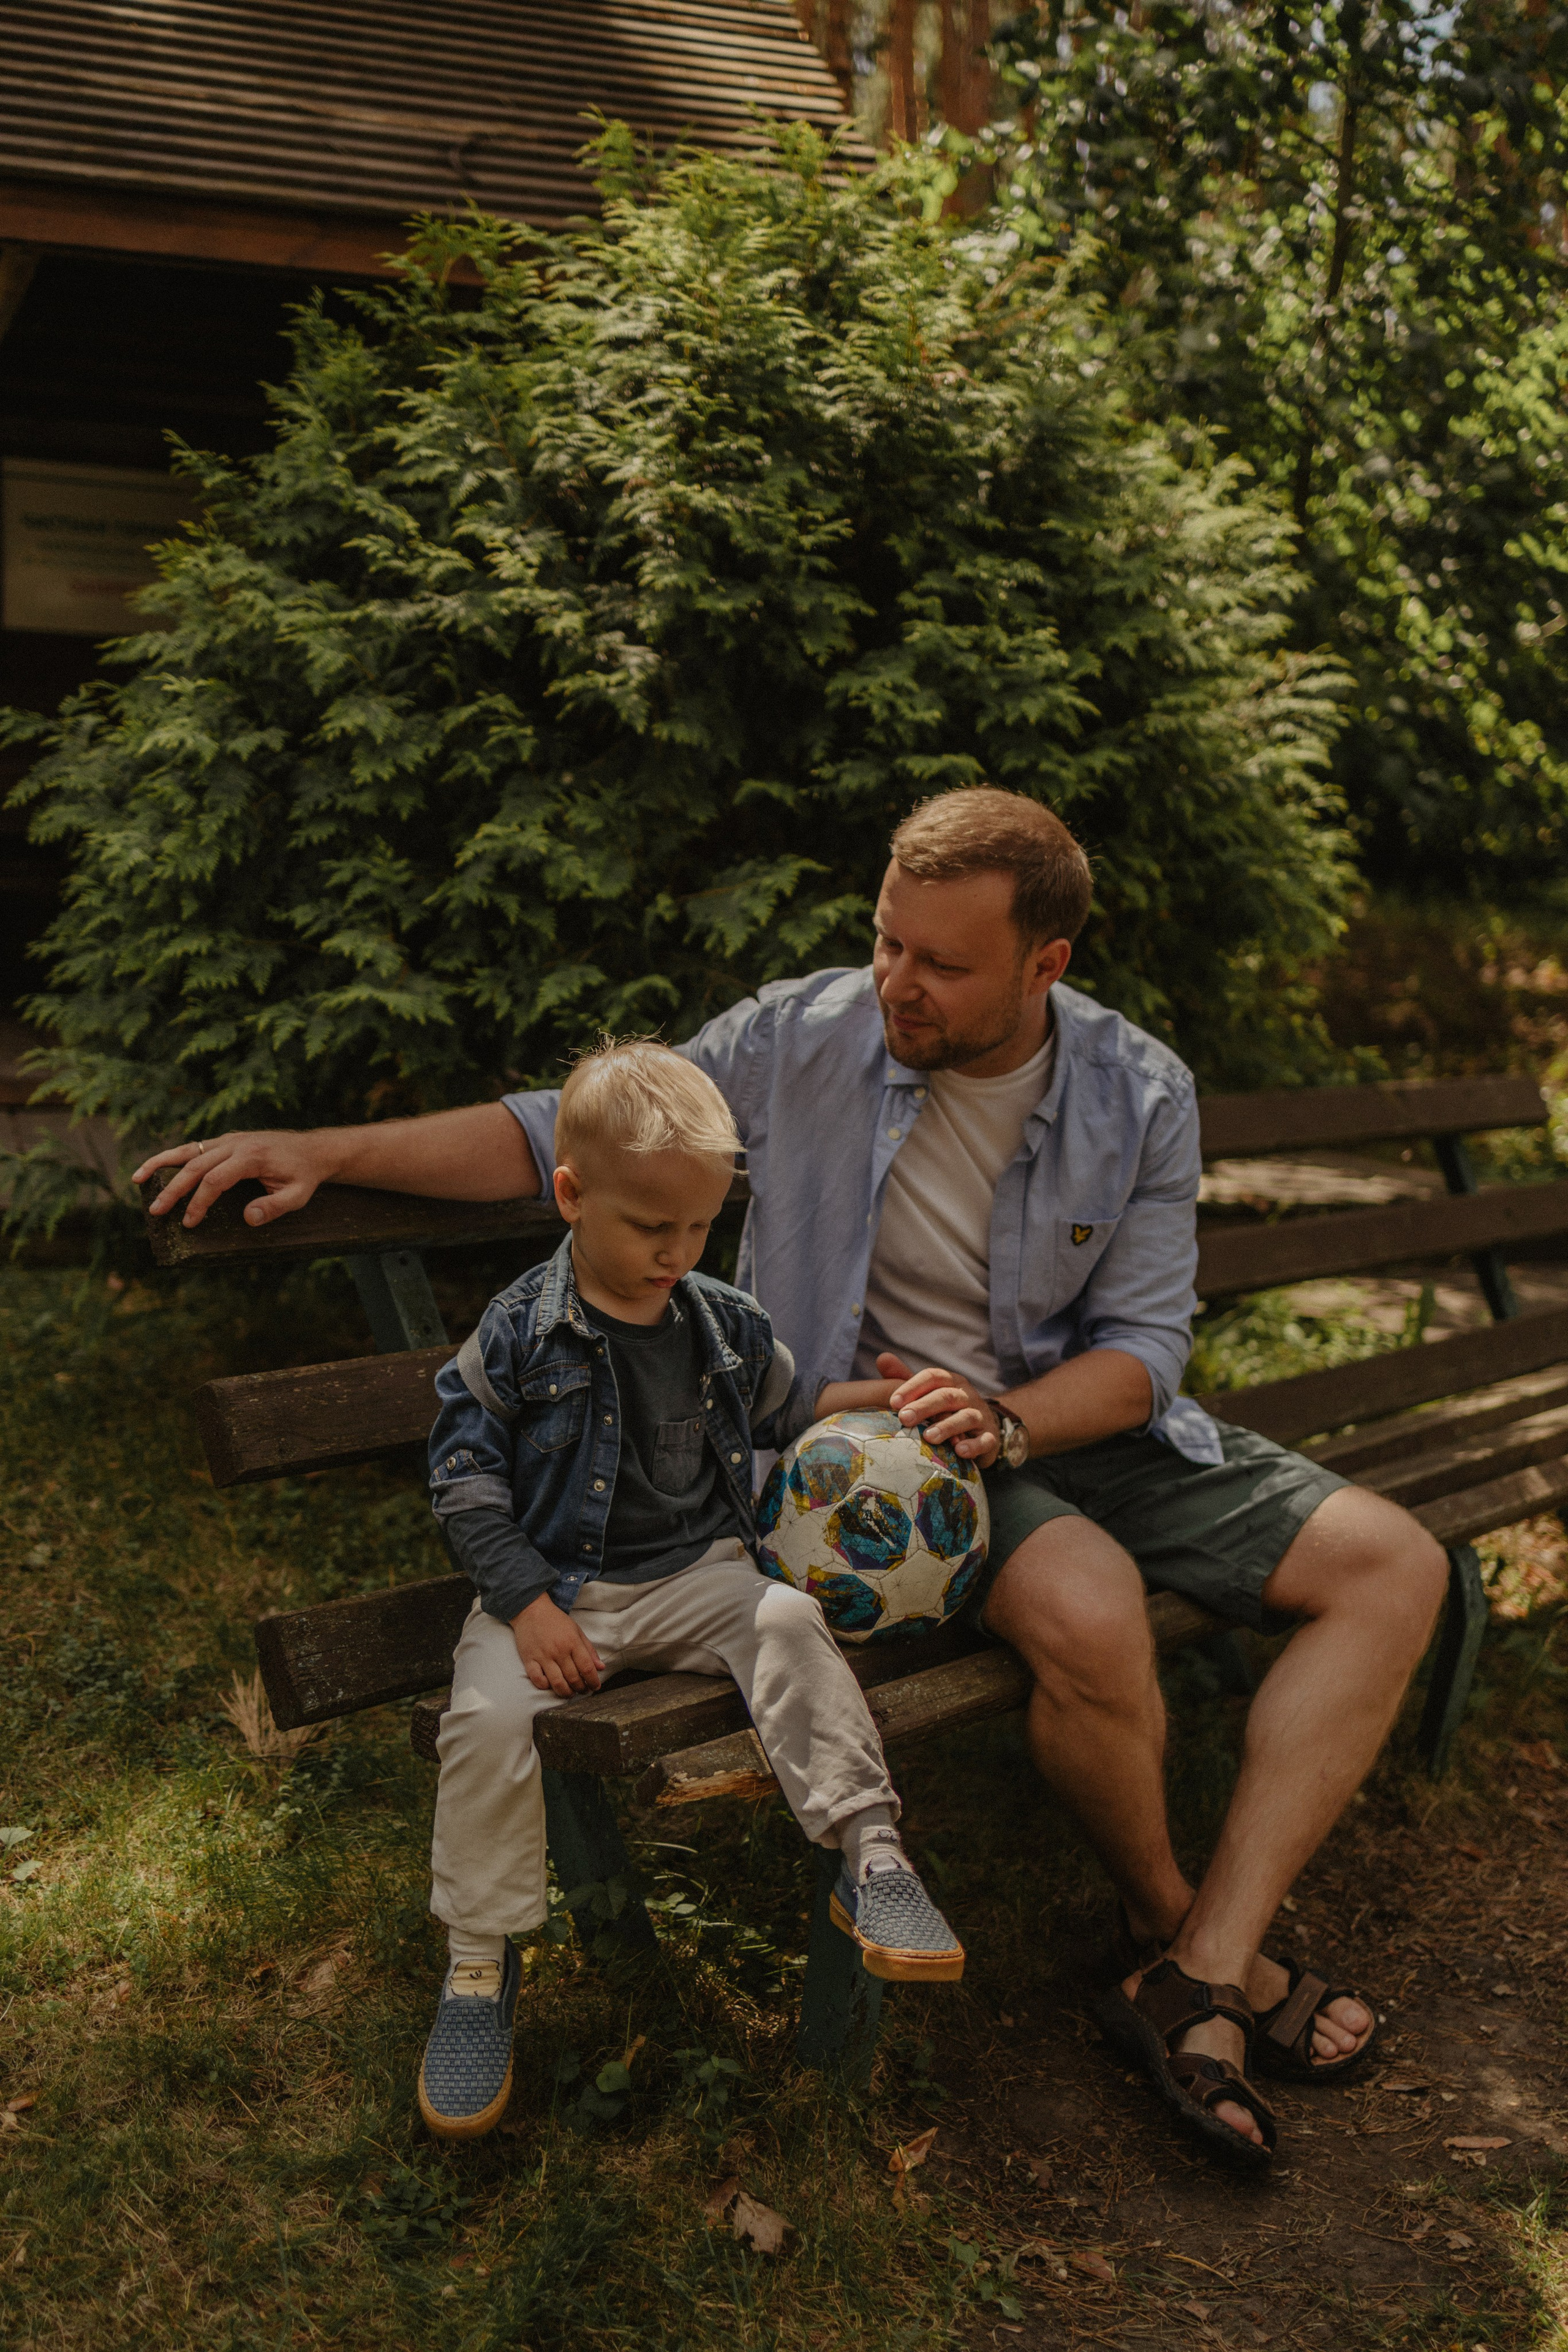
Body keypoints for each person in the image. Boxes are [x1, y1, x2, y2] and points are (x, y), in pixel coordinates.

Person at [137, 785, 1449, 2169]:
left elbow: (1141, 1350)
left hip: (1063, 1420)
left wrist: (1010, 1420)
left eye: (940, 964)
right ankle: (1172, 1944)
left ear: (1044, 965)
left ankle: (1203, 1960)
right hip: (877, 1457)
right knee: (1089, 1608)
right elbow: (550, 1137)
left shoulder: (1139, 1089)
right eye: (887, 941)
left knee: (1392, 1563)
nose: (897, 982)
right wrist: (327, 1152)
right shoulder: (796, 1036)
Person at [415, 1036, 963, 2139]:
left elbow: (788, 1406)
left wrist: (888, 1401)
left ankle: (873, 1852)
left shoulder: (721, 1323)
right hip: (555, 1599)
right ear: (571, 1196)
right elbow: (464, 1476)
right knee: (482, 1727)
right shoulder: (521, 1330)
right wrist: (524, 1605)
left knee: (790, 1619)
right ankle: (477, 1970)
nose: (676, 1252)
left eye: (701, 1227)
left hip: (696, 1580)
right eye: (650, 1227)